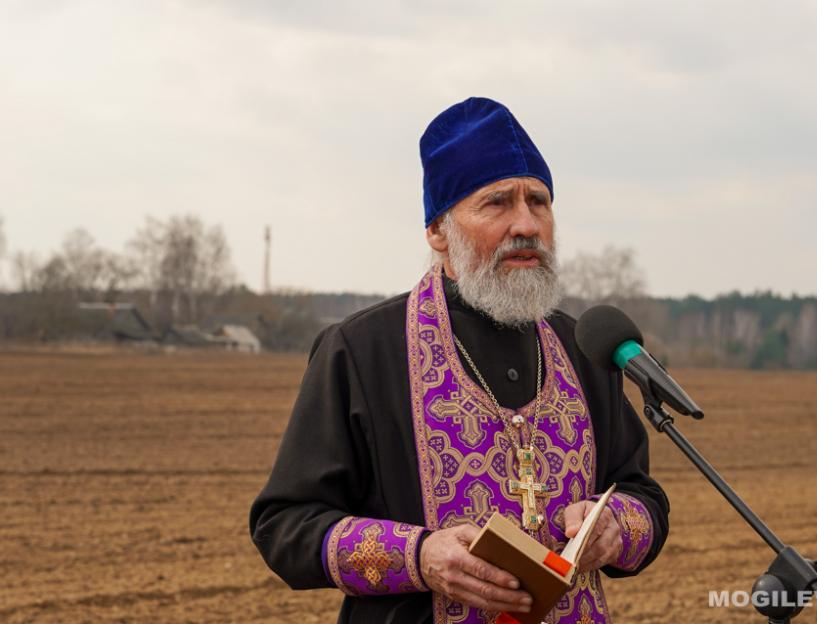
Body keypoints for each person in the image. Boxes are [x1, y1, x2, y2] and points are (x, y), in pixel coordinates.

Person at [249, 96, 669, 624]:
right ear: (437, 231)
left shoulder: (583, 347)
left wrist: (615, 529)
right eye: (497, 203)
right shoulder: (361, 351)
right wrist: (419, 557)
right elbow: (285, 525)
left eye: (538, 202)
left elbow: (640, 494)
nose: (526, 225)